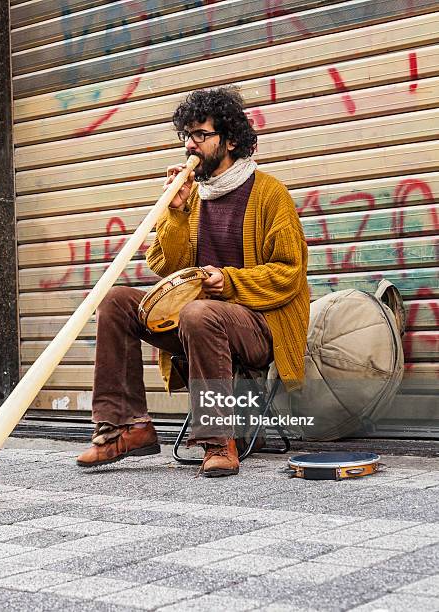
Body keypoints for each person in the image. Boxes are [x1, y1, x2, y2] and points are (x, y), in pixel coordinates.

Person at [76, 87, 309, 477]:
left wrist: (229, 281)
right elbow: (165, 267)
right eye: (187, 135)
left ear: (230, 140)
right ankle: (125, 428)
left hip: (259, 326)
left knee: (201, 312)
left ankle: (219, 440)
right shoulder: (192, 196)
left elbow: (289, 273)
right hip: (194, 322)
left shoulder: (270, 194)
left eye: (201, 135)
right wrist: (177, 213)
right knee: (116, 300)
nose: (191, 145)